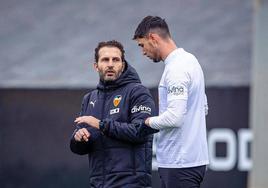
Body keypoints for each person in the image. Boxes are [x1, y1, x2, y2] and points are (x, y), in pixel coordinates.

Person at [133, 16, 209, 188]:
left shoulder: (177, 69)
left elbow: (174, 118)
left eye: (142, 45)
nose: (143, 51)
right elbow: (203, 107)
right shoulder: (190, 61)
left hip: (179, 164)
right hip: (190, 161)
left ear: (153, 38)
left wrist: (145, 122)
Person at [70, 40, 158, 188]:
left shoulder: (138, 92)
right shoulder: (90, 98)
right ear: (96, 66)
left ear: (122, 65)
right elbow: (79, 148)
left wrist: (101, 124)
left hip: (131, 184)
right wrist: (78, 139)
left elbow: (141, 131)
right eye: (105, 60)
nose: (110, 64)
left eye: (115, 60)